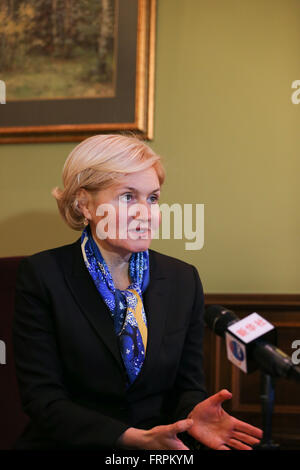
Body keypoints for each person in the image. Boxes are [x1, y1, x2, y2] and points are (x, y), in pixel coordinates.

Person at [13, 134, 262, 450]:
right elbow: (43, 399)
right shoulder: (42, 275)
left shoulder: (183, 279)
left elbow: (187, 388)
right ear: (84, 204)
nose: (145, 212)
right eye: (128, 197)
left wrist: (194, 413)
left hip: (163, 446)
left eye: (153, 198)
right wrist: (131, 439)